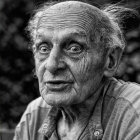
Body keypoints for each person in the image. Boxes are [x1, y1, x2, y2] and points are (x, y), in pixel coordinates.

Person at [13, 0, 140, 140]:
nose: (51, 65)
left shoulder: (134, 111)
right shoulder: (35, 114)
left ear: (110, 60)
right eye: (44, 48)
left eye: (74, 48)